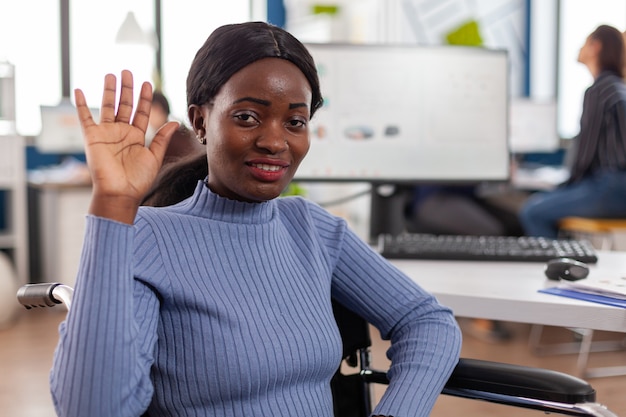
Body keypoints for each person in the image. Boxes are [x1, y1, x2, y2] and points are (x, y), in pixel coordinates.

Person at [50, 21, 462, 417]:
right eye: (247, 117)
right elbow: (93, 408)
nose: (274, 141)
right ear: (201, 122)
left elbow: (427, 321)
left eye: (295, 122)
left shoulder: (312, 228)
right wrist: (113, 203)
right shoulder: (147, 236)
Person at [519, 24, 626, 239]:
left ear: (596, 46)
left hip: (611, 187)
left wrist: (563, 187)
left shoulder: (599, 90)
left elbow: (585, 155)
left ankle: (559, 268)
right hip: (618, 188)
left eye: (585, 43)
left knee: (532, 211)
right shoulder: (619, 88)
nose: (580, 48)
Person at [148, 90, 204, 164]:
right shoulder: (178, 133)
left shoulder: (171, 138)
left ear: (157, 109)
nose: (148, 118)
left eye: (149, 111)